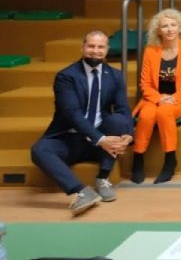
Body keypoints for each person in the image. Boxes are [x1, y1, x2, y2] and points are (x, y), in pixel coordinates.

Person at [30, 31, 133, 215]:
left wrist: (128, 134)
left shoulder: (115, 76)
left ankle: (102, 178)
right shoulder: (66, 76)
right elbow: (72, 114)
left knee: (118, 121)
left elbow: (123, 109)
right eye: (91, 46)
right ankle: (82, 191)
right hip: (70, 139)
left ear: (107, 50)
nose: (95, 50)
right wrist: (101, 139)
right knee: (39, 150)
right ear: (82, 48)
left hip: (100, 144)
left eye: (100, 47)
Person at [131, 9, 181, 185]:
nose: (169, 29)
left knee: (164, 113)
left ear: (180, 28)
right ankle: (138, 158)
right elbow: (145, 84)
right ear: (158, 31)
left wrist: (174, 98)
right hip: (155, 98)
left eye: (173, 25)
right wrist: (158, 98)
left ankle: (170, 160)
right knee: (146, 115)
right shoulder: (150, 51)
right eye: (164, 26)